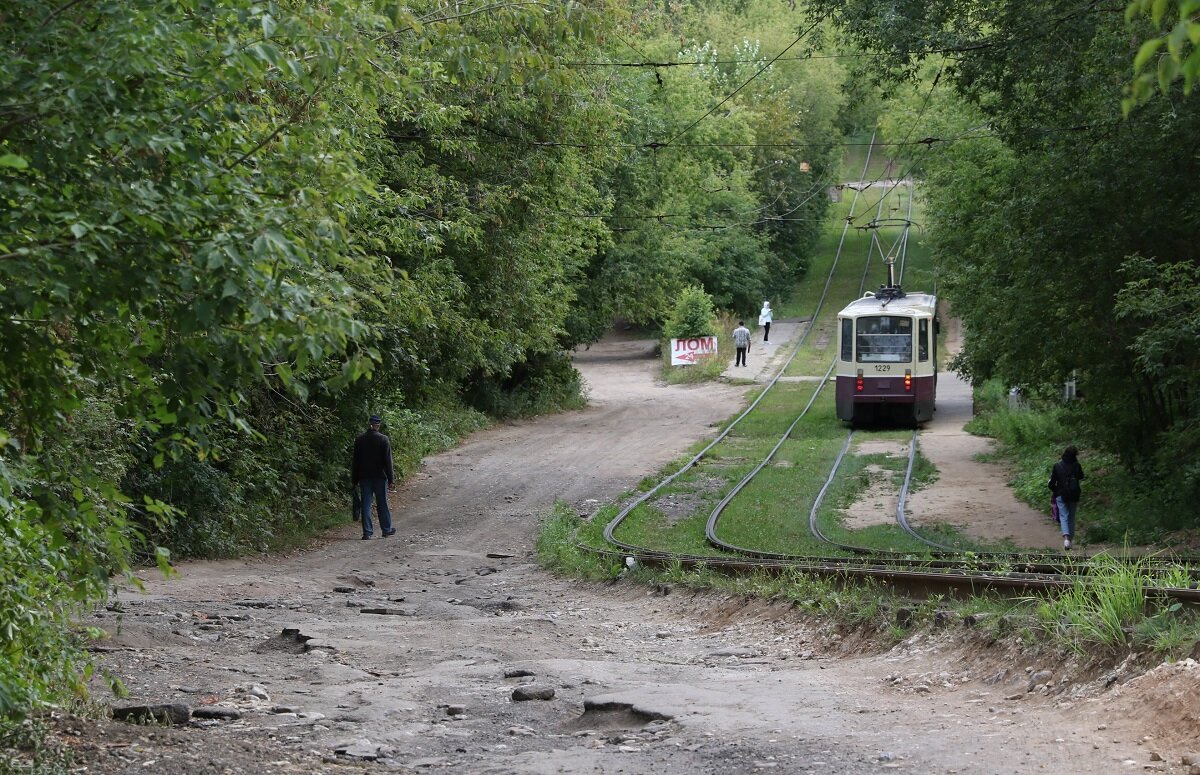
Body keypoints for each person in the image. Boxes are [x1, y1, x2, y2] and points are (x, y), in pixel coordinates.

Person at [352, 415, 396, 539]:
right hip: (380, 477)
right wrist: (391, 479)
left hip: (364, 477)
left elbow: (356, 461)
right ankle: (386, 529)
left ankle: (367, 532)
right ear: (378, 425)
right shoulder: (383, 439)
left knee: (366, 504)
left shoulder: (360, 439)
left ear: (369, 424)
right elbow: (388, 461)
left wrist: (354, 480)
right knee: (382, 503)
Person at [1047, 446, 1084, 550]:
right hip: (1074, 494)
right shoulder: (1077, 466)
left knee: (1064, 516)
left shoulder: (1057, 466)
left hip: (1061, 494)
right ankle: (1070, 541)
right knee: (1071, 518)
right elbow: (1081, 476)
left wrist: (1056, 491)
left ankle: (1066, 539)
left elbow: (1051, 483)